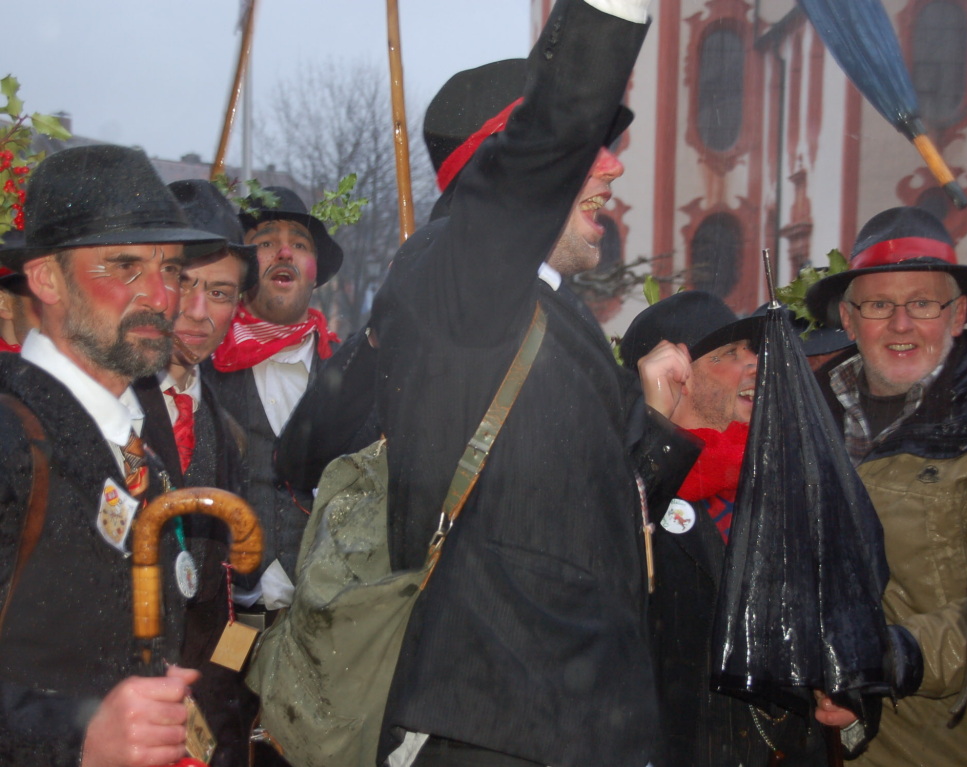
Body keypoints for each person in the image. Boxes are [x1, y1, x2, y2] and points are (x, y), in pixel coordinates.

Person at [371, 2, 701, 766]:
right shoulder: (459, 271)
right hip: (492, 729)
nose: (613, 166)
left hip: (560, 726)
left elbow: (573, 521)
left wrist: (649, 418)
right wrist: (611, 17)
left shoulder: (544, 306)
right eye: (589, 147)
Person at [0, 144, 225, 767]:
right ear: (46, 278)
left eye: (172, 269)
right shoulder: (11, 437)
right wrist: (76, 736)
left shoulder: (139, 450)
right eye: (125, 266)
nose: (161, 295)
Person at [805, 205, 967, 766]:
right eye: (878, 305)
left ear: (957, 312)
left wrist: (890, 658)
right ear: (848, 319)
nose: (900, 323)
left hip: (956, 746)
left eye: (922, 302)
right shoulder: (801, 418)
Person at [620, 291, 827, 767]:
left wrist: (850, 700)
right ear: (677, 379)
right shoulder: (626, 484)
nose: (754, 364)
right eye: (729, 354)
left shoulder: (787, 470)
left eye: (752, 351)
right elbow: (610, 560)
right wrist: (653, 427)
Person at [135, 179, 257, 767]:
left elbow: (215, 597)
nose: (199, 313)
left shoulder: (225, 429)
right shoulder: (104, 404)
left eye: (221, 292)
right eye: (185, 284)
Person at [204, 185, 343, 610]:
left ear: (315, 271)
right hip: (216, 628)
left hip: (320, 634)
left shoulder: (352, 373)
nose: (284, 253)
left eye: (299, 244)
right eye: (265, 243)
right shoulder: (196, 370)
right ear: (241, 267)